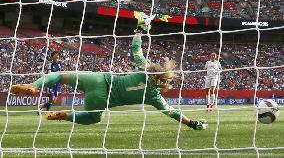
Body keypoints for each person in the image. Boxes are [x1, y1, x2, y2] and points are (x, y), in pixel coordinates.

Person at [10, 17, 207, 130]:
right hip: (100, 99)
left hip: (98, 79)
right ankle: (64, 115)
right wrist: (192, 123)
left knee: (60, 75)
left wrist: (140, 29)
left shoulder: (146, 69)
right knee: (94, 119)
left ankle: (33, 86)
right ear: (165, 82)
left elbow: (136, 48)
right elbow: (172, 113)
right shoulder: (154, 96)